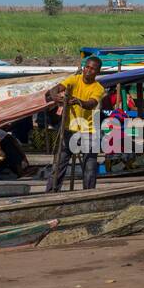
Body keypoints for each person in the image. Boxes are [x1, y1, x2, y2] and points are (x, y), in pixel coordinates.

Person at [46, 56, 105, 192]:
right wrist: (55, 95)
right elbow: (56, 89)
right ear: (84, 68)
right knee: (58, 165)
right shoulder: (74, 79)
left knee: (89, 168)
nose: (88, 71)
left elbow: (91, 104)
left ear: (97, 72)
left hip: (89, 132)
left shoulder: (98, 88)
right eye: (87, 67)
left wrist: (79, 101)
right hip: (68, 130)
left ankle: (88, 195)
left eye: (93, 69)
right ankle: (50, 194)